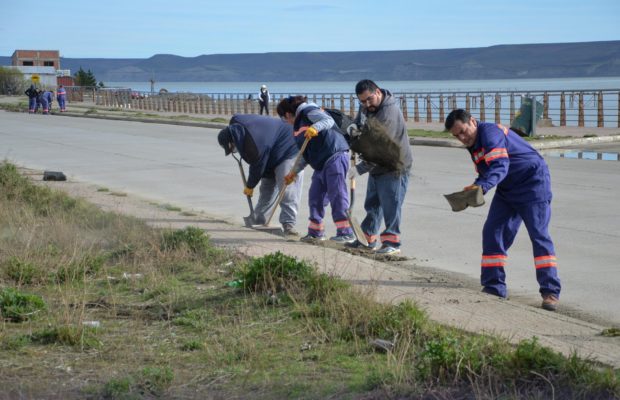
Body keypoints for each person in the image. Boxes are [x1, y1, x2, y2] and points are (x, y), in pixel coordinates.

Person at [445, 109, 561, 311]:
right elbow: (487, 171)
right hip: (508, 189)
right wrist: (474, 188)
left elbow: (500, 165)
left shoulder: (490, 133)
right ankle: (494, 287)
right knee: (493, 231)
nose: (462, 138)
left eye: (463, 131)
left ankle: (550, 292)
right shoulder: (473, 144)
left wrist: (482, 188)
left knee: (539, 235)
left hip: (533, 183)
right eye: (457, 136)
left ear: (472, 121)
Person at [345, 79, 413, 255]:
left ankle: (392, 243)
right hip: (376, 165)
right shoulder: (366, 107)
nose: (367, 104)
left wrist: (360, 168)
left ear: (377, 92)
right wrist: (354, 127)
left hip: (394, 164)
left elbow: (381, 148)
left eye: (369, 99)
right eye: (362, 101)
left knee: (391, 205)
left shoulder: (388, 113)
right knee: (373, 204)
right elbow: (360, 121)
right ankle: (367, 239)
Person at [276, 95, 354, 243]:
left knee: (337, 195)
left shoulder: (309, 111)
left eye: (284, 118)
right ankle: (315, 232)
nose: (286, 122)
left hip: (334, 155)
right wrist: (293, 173)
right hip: (320, 162)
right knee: (315, 196)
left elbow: (328, 121)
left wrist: (315, 128)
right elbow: (305, 153)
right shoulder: (298, 126)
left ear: (287, 114)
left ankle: (346, 233)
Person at [217, 114, 303, 235]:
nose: (234, 151)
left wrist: (250, 186)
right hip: (271, 151)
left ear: (233, 141)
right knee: (266, 189)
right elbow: (259, 162)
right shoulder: (237, 128)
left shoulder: (254, 144)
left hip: (289, 147)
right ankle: (259, 220)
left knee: (287, 189)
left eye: (232, 148)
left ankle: (289, 225)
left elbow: (257, 167)